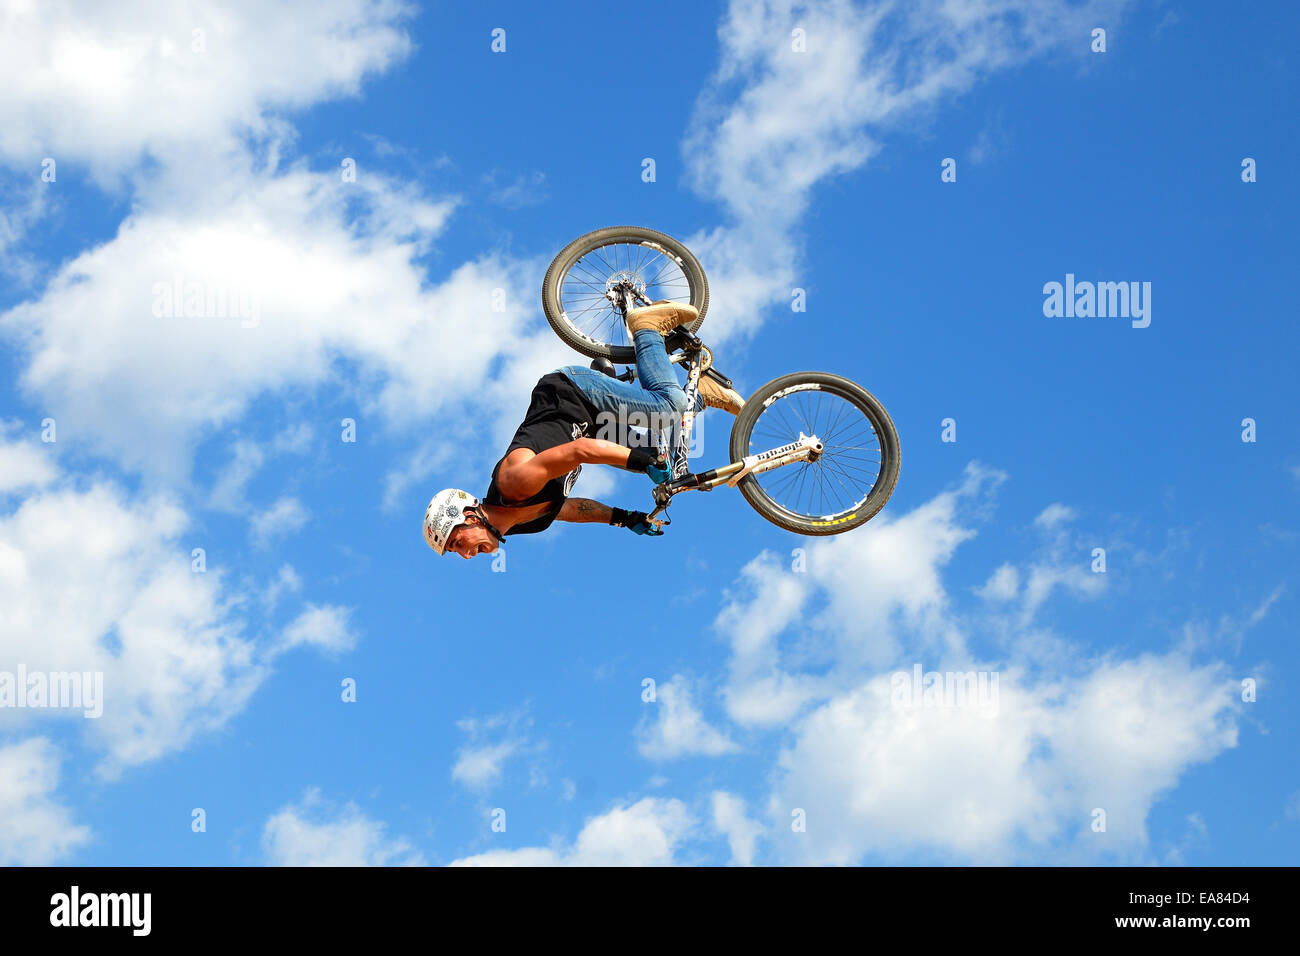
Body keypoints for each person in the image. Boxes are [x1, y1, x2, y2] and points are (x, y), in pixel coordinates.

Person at [423, 301, 744, 559]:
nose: (466, 555)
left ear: (468, 516)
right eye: (456, 552)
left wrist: (643, 462)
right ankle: (701, 393)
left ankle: (647, 328)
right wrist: (625, 518)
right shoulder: (520, 524)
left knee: (666, 408)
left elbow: (580, 452)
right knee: (666, 457)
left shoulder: (513, 483)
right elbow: (569, 509)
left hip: (575, 393)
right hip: (593, 428)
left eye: (457, 542)